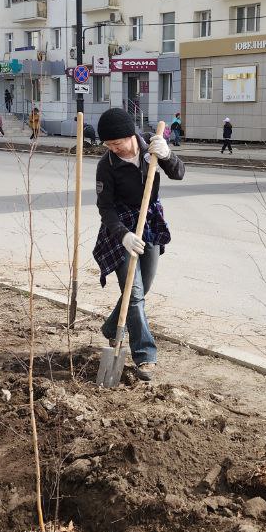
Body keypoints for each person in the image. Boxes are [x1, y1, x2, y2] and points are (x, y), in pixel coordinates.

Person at [93, 108, 184, 382]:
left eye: (117, 143)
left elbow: (179, 173)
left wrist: (168, 155)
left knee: (144, 287)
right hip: (120, 228)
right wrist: (123, 234)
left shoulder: (152, 148)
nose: (113, 148)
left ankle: (111, 327)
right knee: (134, 294)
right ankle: (145, 355)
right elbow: (105, 207)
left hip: (149, 222)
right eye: (108, 144)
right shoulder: (106, 165)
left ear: (130, 135)